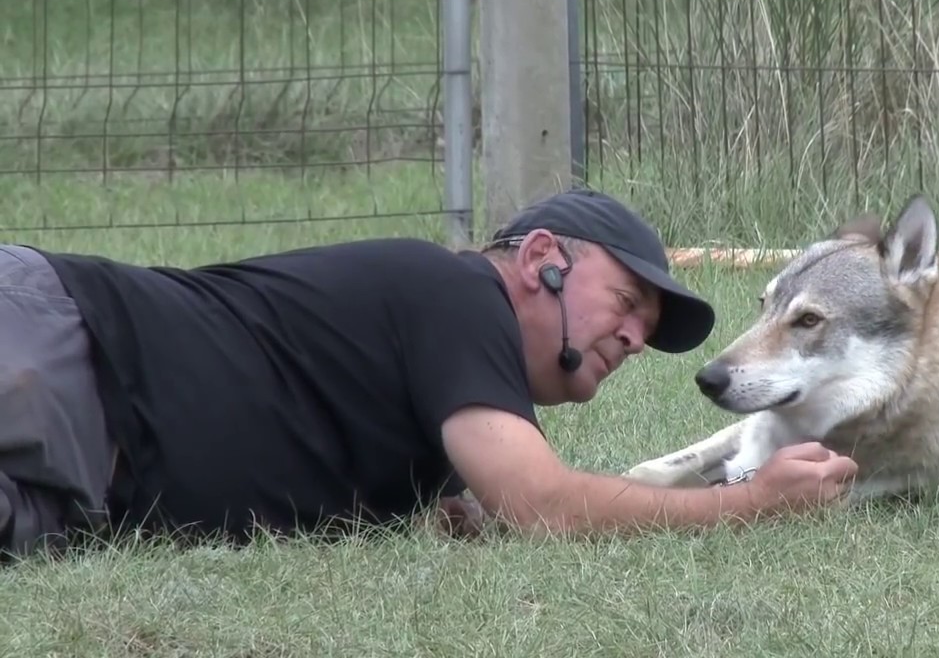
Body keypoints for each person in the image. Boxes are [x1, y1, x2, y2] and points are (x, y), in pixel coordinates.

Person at [0, 187, 858, 559]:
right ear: (543, 259)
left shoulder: (445, 423)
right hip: (66, 348)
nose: (635, 336)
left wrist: (449, 508)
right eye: (629, 301)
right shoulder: (453, 290)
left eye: (646, 330)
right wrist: (749, 503)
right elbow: (543, 502)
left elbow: (504, 506)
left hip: (78, 499)